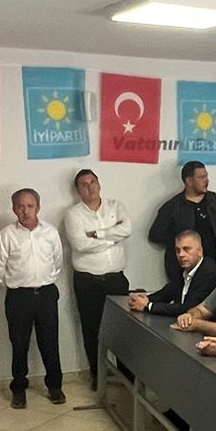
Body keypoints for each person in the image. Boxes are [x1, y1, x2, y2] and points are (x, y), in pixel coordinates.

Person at [0, 187, 65, 408]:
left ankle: (55, 387)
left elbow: (58, 262)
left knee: (50, 343)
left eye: (30, 206)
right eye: (20, 206)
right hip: (18, 297)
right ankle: (19, 389)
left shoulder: (50, 232)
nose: (25, 211)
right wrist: (17, 283)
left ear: (38, 207)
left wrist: (44, 279)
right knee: (19, 344)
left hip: (46, 295)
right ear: (14, 209)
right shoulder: (6, 235)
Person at [64, 167, 134, 391]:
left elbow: (127, 229)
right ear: (78, 190)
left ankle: (128, 376)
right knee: (91, 329)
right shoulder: (73, 214)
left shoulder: (115, 206)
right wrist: (113, 237)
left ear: (99, 183)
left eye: (92, 182)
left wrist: (98, 234)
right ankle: (98, 375)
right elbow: (81, 245)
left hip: (116, 279)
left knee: (123, 328)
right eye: (84, 185)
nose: (90, 187)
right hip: (88, 281)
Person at [150, 160, 216, 289]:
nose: (206, 180)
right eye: (201, 177)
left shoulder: (214, 200)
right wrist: (180, 242)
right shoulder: (173, 206)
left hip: (213, 266)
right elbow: (155, 235)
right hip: (182, 271)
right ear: (189, 181)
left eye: (206, 176)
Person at [130, 231, 216, 319]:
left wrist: (148, 306)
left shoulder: (210, 274)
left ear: (200, 251)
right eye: (177, 250)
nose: (181, 254)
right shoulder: (183, 270)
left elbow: (189, 309)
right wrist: (143, 299)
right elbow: (165, 293)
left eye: (187, 249)